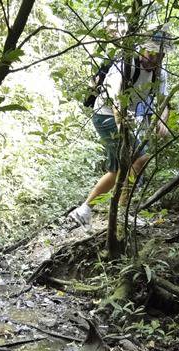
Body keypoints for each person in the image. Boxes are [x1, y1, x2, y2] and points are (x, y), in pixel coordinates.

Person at [69, 33, 170, 227]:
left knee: (118, 169)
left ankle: (86, 210)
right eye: (151, 52)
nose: (154, 58)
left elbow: (164, 101)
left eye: (159, 55)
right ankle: (120, 213)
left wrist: (163, 121)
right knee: (139, 159)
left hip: (127, 119)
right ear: (143, 49)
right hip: (106, 114)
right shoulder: (125, 64)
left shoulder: (160, 73)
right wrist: (121, 127)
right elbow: (116, 100)